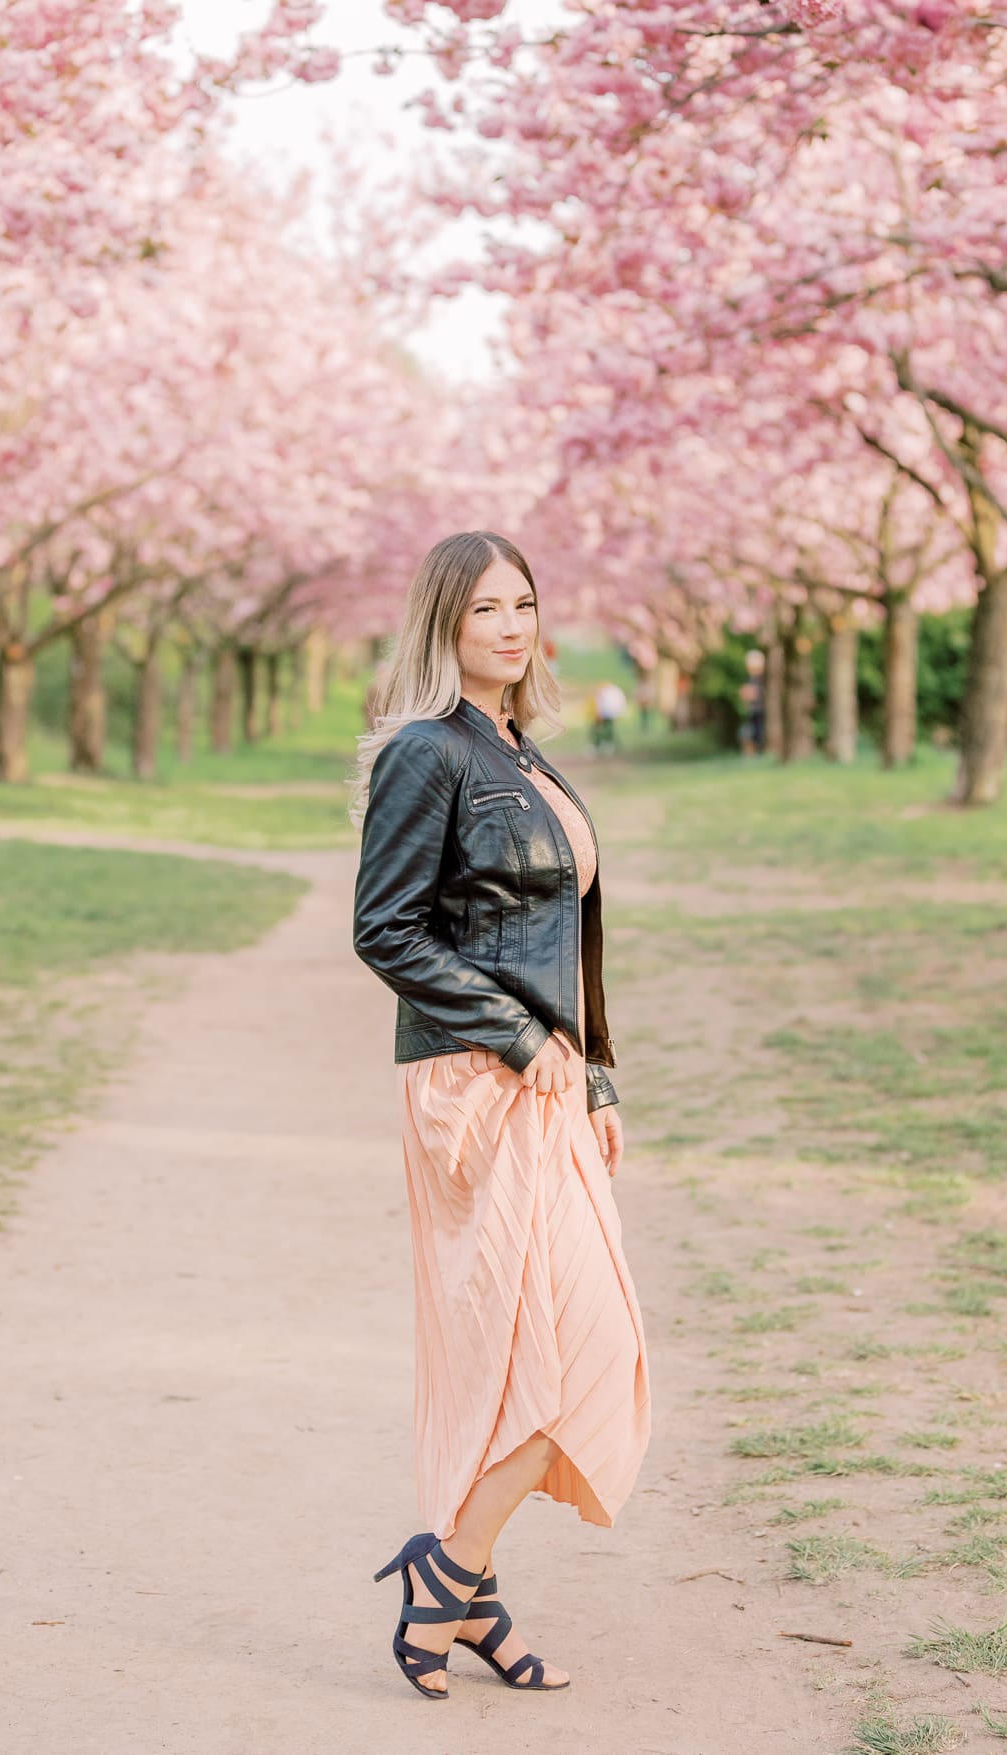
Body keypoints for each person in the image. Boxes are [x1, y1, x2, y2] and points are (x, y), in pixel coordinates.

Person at [350, 530, 651, 1701]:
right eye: (485, 611)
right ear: (445, 626)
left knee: (570, 1348)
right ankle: (452, 1578)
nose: (512, 628)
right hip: (475, 1086)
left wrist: (597, 1073)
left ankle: (460, 1588)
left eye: (524, 604)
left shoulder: (523, 752)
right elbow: (387, 930)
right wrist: (527, 1045)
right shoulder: (430, 754)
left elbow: (567, 938)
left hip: (547, 1081)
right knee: (566, 1353)